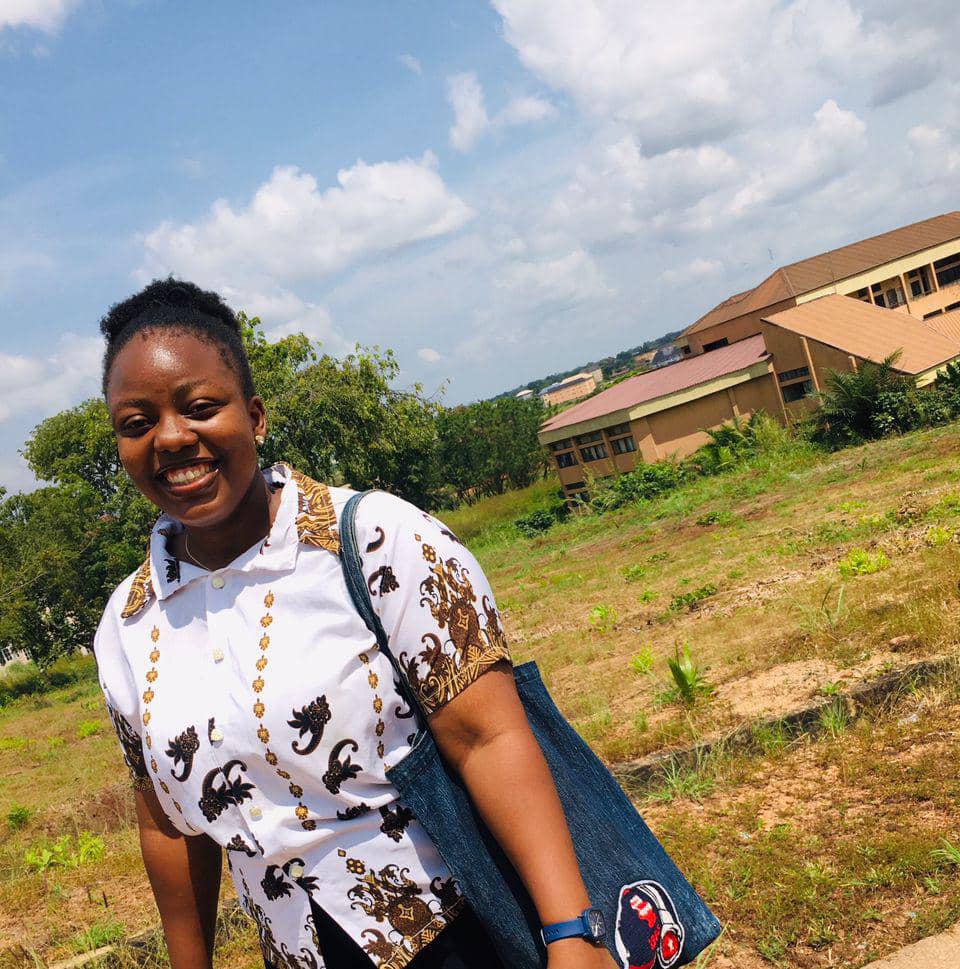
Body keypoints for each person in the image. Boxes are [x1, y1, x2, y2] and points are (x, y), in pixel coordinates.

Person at [93, 278, 619, 969]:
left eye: (199, 408)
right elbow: (167, 820)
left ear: (254, 416)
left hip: (463, 930)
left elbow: (487, 738)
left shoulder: (373, 540)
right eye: (137, 423)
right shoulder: (130, 624)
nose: (170, 438)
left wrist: (572, 933)